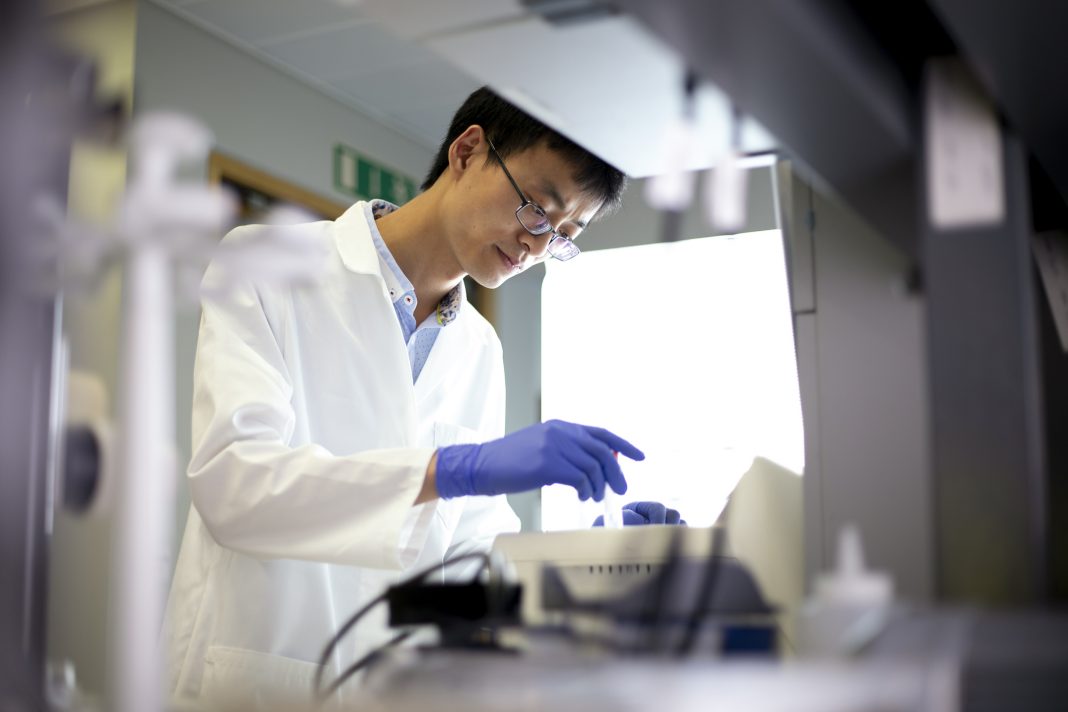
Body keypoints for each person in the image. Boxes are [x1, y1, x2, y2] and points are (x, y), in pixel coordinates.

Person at [163, 87, 661, 707]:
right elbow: (233, 487)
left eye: (562, 235)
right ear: (468, 150)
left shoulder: (479, 347)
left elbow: (464, 564)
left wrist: (589, 571)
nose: (536, 245)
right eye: (537, 208)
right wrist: (451, 471)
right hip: (251, 682)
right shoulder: (266, 263)